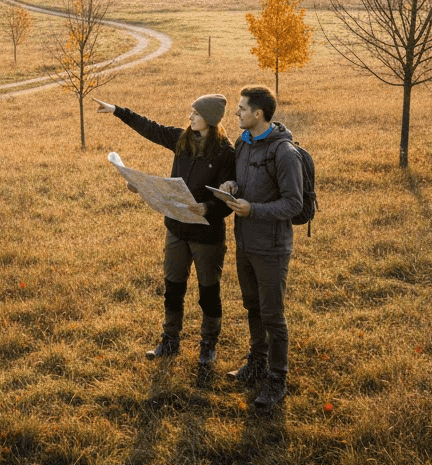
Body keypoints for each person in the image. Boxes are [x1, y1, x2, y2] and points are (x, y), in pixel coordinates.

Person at [95, 94, 235, 367]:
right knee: (173, 288)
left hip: (206, 234)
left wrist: (207, 208)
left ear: (210, 118)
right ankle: (170, 341)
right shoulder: (181, 139)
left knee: (208, 293)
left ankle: (208, 345)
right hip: (176, 229)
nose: (190, 117)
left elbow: (227, 200)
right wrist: (116, 110)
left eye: (196, 113)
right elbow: (150, 128)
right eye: (191, 111)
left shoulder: (225, 153)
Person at [222, 84, 303, 409]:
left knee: (272, 315)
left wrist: (253, 210)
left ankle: (277, 378)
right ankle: (256, 363)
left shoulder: (284, 152)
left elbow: (294, 203)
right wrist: (232, 186)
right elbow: (245, 182)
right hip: (244, 242)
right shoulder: (243, 143)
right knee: (252, 306)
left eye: (242, 108)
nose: (237, 112)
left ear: (258, 114)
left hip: (271, 247)